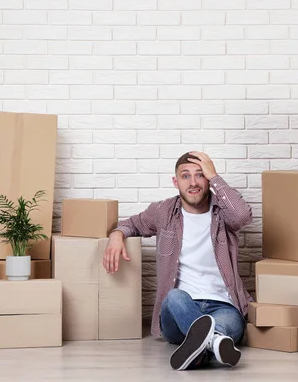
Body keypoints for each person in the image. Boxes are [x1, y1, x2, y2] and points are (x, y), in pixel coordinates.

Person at [102, 151, 254, 371]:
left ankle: (202, 348)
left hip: (223, 305)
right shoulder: (164, 211)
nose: (193, 183)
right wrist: (116, 235)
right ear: (176, 182)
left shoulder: (223, 213)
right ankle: (215, 343)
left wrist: (215, 177)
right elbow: (132, 223)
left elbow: (243, 215)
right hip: (179, 308)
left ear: (208, 179)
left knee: (229, 325)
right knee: (174, 297)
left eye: (200, 175)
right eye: (185, 176)